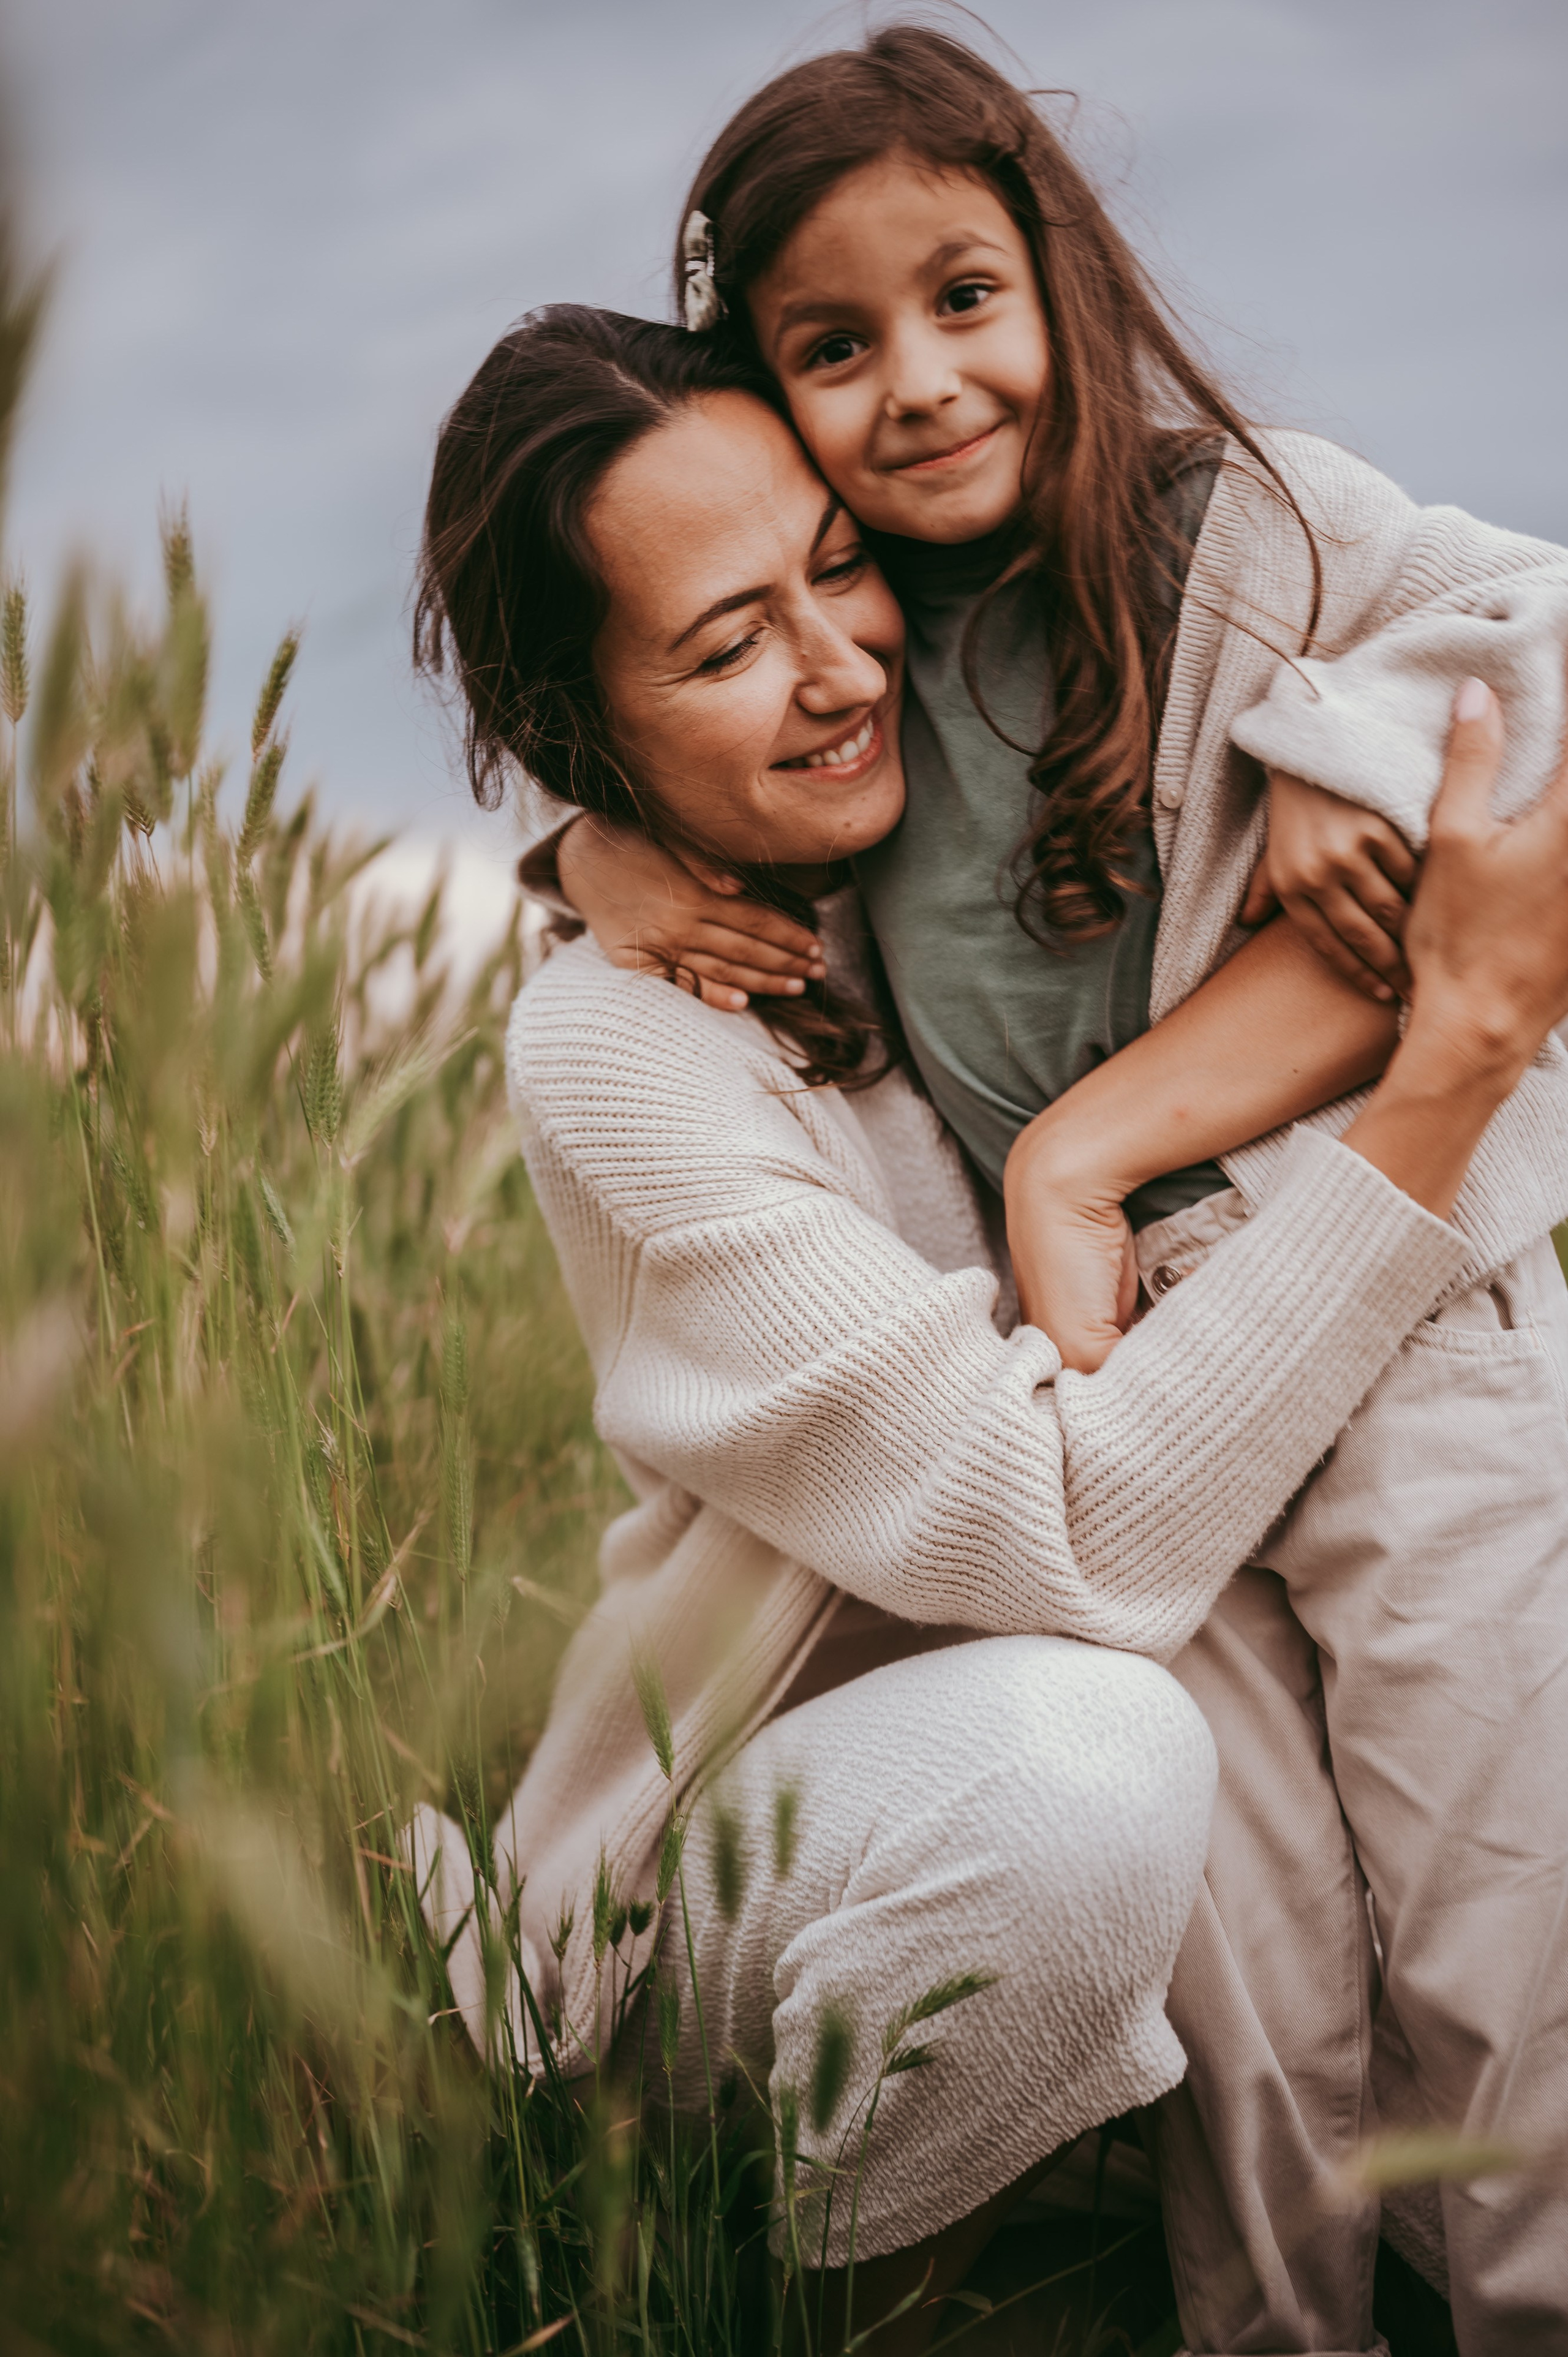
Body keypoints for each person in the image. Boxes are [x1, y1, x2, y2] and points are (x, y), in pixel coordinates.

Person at [535, 31, 1568, 2348]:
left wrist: (1349, 740)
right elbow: (678, 816)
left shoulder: (1257, 536)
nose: (914, 385)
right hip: (1120, 1378)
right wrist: (581, 849)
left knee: (1511, 1925)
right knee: (1265, 1992)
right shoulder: (857, 703)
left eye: (965, 297)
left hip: (1412, 1338)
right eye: (831, 348)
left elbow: (1544, 619)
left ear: (1066, 281)